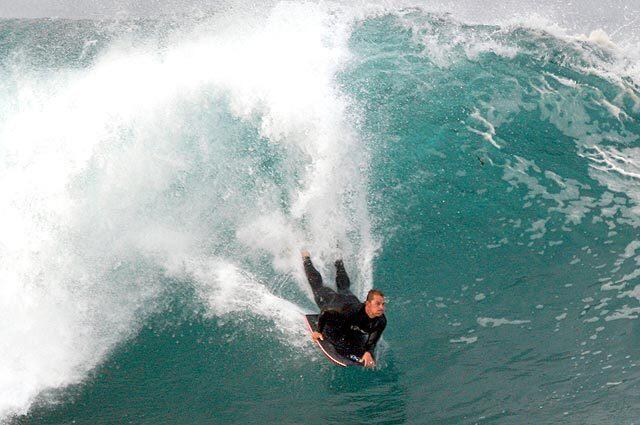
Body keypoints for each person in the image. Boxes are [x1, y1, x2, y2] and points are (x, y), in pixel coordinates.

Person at [301, 250, 386, 368]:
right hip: (332, 301)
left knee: (344, 287)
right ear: (367, 304)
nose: (381, 308)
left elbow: (372, 340)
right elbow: (326, 312)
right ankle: (306, 259)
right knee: (317, 287)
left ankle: (338, 260)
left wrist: (368, 352)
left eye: (383, 304)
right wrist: (318, 331)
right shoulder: (350, 313)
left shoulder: (380, 320)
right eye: (378, 304)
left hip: (349, 299)